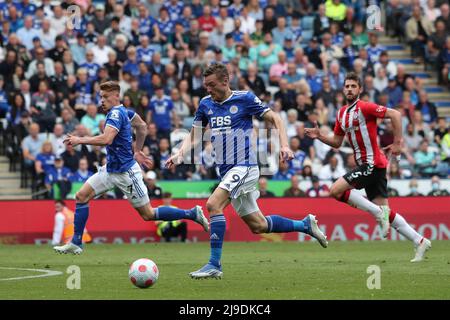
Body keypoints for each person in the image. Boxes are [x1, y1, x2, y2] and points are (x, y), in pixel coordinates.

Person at [166, 63, 328, 279]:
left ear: (225, 81)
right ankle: (305, 224)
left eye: (212, 85)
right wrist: (180, 153)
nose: (208, 89)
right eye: (206, 85)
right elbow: (195, 134)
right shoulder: (205, 104)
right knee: (258, 225)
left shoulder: (245, 98)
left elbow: (276, 118)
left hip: (245, 166)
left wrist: (285, 145)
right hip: (226, 170)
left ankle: (214, 264)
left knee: (213, 205)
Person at [54, 81, 209, 255]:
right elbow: (142, 126)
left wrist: (79, 140)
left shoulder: (115, 114)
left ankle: (192, 213)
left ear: (116, 96)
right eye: (100, 97)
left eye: (105, 97)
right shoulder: (125, 112)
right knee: (81, 196)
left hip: (126, 173)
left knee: (148, 214)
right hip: (110, 169)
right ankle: (76, 242)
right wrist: (137, 151)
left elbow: (107, 139)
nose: (101, 101)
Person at [305, 72, 431, 263]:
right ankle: (419, 240)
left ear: (360, 89)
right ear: (343, 89)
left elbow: (395, 114)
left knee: (336, 190)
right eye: (347, 86)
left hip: (371, 163)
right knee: (386, 213)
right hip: (373, 165)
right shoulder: (341, 114)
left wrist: (398, 143)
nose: (349, 89)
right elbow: (337, 142)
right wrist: (320, 136)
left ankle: (378, 213)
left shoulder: (365, 107)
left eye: (353, 86)